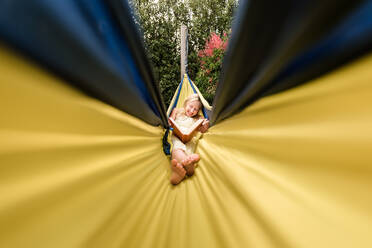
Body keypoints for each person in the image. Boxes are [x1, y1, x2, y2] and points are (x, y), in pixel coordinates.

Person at [168, 94, 209, 185]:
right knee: (176, 149)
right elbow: (169, 122)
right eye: (190, 107)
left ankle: (179, 171)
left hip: (189, 140)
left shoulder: (199, 118)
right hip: (176, 137)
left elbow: (202, 131)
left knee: (186, 151)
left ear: (198, 111)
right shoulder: (176, 111)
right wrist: (170, 123)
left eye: (195, 109)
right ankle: (190, 168)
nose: (191, 111)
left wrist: (205, 126)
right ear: (186, 103)